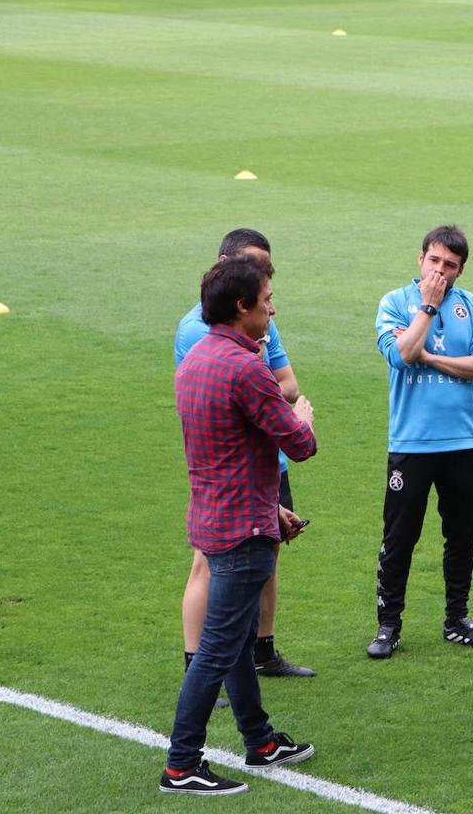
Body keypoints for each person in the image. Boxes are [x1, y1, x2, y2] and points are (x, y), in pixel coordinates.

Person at [160, 255, 318, 795]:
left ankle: (261, 740)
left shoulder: (195, 360)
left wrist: (272, 508)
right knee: (219, 649)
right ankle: (182, 764)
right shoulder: (247, 368)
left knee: (236, 638)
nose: (272, 307)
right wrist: (302, 417)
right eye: (266, 299)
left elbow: (220, 454)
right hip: (242, 533)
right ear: (241, 306)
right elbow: (300, 445)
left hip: (213, 516)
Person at [175, 229, 315, 682]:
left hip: (265, 467)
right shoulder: (198, 331)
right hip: (227, 472)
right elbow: (265, 395)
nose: (264, 282)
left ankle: (262, 653)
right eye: (254, 268)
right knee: (211, 570)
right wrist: (286, 413)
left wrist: (266, 394)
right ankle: (196, 667)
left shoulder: (260, 320)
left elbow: (287, 383)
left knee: (267, 557)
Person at [368, 225, 473, 659]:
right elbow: (401, 354)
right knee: (400, 537)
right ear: (420, 258)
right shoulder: (395, 302)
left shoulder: (472, 306)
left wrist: (430, 357)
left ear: (462, 269)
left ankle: (457, 619)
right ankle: (389, 626)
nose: (440, 271)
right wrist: (427, 306)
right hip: (411, 444)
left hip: (463, 442)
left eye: (451, 265)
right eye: (435, 261)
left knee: (462, 536)